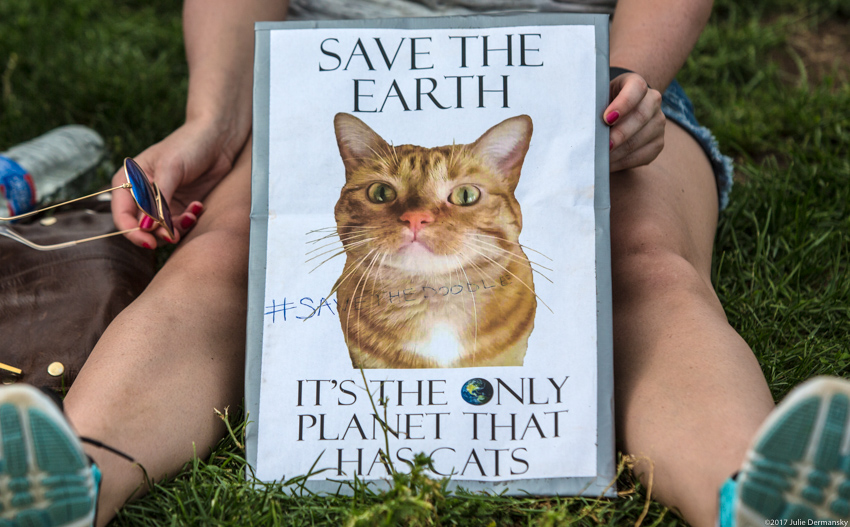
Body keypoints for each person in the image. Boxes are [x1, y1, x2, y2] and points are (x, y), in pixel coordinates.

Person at [0, 1, 847, 526]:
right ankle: (71, 482)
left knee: (647, 265)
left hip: (583, 76)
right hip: (330, 76)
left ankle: (755, 503)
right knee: (223, 258)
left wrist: (629, 80)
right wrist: (214, 121)